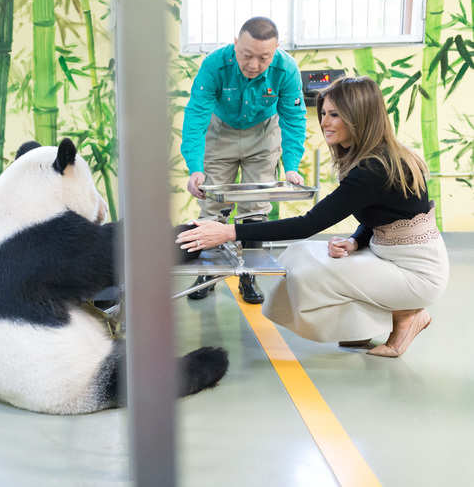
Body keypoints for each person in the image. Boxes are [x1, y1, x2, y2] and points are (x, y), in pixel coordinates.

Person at [176, 76, 449, 358]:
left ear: (359, 117)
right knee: (299, 255)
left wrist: (230, 232)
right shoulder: (378, 157)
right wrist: (356, 242)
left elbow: (309, 223)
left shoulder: (373, 169)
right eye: (323, 113)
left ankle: (406, 315)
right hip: (389, 256)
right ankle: (365, 325)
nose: (324, 122)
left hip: (416, 274)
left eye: (335, 115)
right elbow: (383, 212)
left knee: (314, 275)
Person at [181, 16, 307, 304]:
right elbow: (196, 115)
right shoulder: (215, 64)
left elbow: (294, 118)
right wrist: (195, 167)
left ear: (276, 50)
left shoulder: (286, 69)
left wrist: (291, 167)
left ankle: (249, 275)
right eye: (246, 55)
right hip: (220, 132)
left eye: (264, 57)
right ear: (235, 43)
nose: (254, 65)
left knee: (255, 205)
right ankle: (208, 273)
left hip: (263, 135)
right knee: (212, 202)